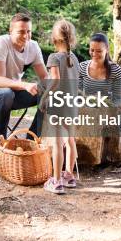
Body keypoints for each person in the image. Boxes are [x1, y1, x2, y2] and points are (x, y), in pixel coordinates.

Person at [0, 13, 48, 146]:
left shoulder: (33, 46)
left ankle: (31, 141)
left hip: (15, 94)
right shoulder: (1, 42)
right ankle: (0, 144)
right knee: (5, 93)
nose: (26, 36)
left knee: (50, 95)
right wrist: (25, 85)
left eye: (29, 31)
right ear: (10, 32)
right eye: (21, 32)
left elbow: (44, 77)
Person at [42, 19, 79, 194]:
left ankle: (56, 181)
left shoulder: (54, 57)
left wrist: (45, 95)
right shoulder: (75, 59)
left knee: (57, 142)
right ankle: (69, 176)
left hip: (57, 104)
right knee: (70, 140)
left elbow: (55, 80)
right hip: (71, 104)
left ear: (55, 38)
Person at [78, 33, 121, 108]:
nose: (94, 54)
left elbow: (117, 99)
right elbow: (78, 96)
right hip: (87, 111)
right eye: (92, 50)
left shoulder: (116, 70)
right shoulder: (82, 67)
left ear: (107, 50)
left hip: (107, 112)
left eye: (99, 51)